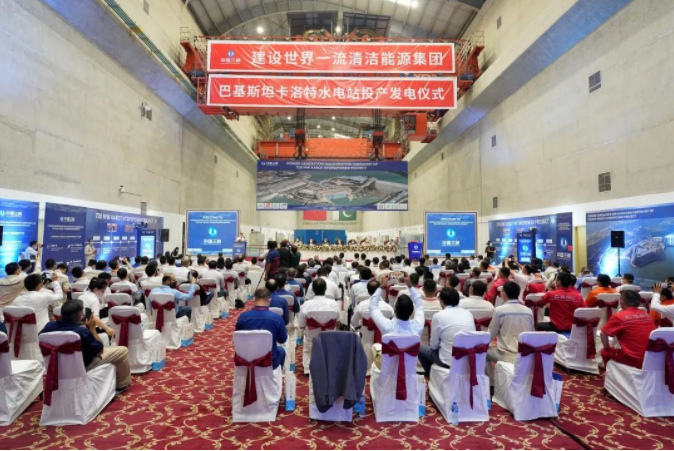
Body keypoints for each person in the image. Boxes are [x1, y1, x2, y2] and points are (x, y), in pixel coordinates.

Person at [41, 299, 131, 392]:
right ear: (80, 315)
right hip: (82, 365)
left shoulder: (49, 326)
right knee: (123, 350)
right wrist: (92, 329)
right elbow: (100, 351)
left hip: (57, 364)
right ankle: (122, 385)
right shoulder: (81, 332)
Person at [418, 288, 475, 376]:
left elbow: (433, 346)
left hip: (447, 362)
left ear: (441, 301)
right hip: (467, 360)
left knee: (420, 349)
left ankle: (431, 375)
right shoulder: (468, 313)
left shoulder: (438, 316)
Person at [600, 290, 656, 369]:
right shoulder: (647, 315)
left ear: (621, 302)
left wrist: (607, 348)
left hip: (634, 359)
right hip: (652, 358)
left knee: (604, 351)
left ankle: (612, 373)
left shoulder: (619, 316)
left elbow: (603, 334)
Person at [487, 281, 535, 373]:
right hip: (524, 354)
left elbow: (491, 334)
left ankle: (492, 381)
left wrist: (482, 344)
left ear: (504, 294)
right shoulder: (528, 311)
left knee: (482, 353)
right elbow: (532, 333)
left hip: (505, 355)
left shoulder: (499, 310)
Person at [235, 288, 288, 369]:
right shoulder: (277, 318)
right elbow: (282, 340)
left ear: (254, 299)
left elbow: (238, 338)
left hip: (247, 360)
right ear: (269, 300)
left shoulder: (242, 317)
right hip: (269, 362)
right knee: (281, 350)